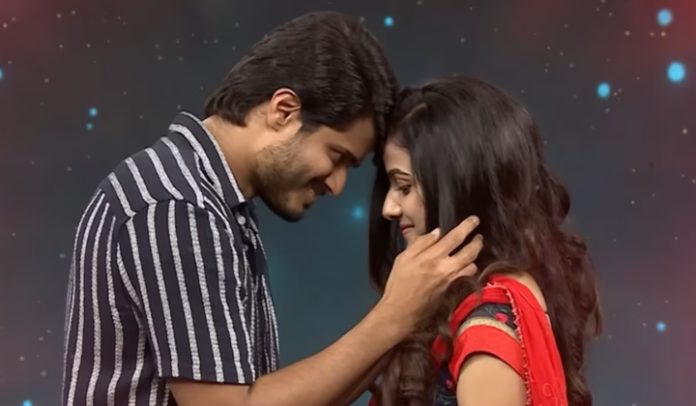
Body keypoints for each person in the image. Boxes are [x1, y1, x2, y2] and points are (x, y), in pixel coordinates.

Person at [61, 12, 484, 406]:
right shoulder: (178, 207)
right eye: (336, 156)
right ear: (283, 111)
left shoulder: (210, 200)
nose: (337, 185)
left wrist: (400, 322)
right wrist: (393, 316)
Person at [366, 76, 602, 405]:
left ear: (461, 186)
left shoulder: (487, 327)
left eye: (404, 186)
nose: (389, 208)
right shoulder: (503, 297)